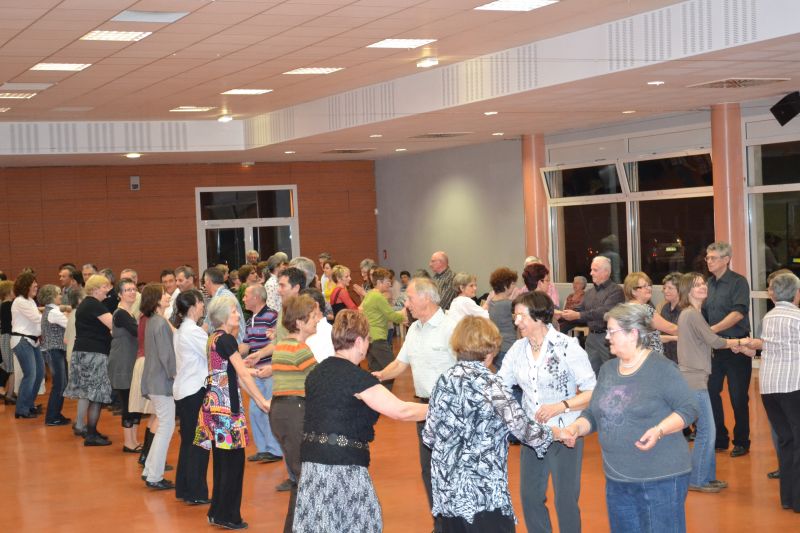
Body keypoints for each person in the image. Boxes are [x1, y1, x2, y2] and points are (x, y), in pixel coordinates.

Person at [562, 303, 698, 533]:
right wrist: (576, 427)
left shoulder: (662, 369)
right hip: (618, 479)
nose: (607, 337)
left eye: (612, 331)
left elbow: (689, 408)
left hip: (660, 478)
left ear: (633, 333)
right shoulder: (608, 369)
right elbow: (593, 413)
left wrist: (659, 430)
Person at [293, 310, 428, 533]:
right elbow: (401, 411)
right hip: (342, 467)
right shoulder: (356, 378)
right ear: (358, 342)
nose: (368, 345)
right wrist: (440, 408)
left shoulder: (317, 373)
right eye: (367, 339)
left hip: (312, 465)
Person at [424, 316, 559, 532]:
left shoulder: (444, 380)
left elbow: (429, 436)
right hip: (483, 491)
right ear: (489, 353)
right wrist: (556, 433)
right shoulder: (491, 384)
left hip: (448, 489)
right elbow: (522, 429)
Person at [498, 290, 596, 533]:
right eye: (515, 316)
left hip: (566, 433)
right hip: (532, 434)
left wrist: (561, 406)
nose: (516, 321)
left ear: (540, 316)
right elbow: (499, 387)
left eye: (521, 316)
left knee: (565, 500)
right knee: (530, 498)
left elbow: (592, 391)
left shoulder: (567, 347)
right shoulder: (517, 349)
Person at [374, 277, 457, 533]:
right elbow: (400, 364)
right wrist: (376, 377)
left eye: (409, 298)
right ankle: (440, 525)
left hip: (451, 409)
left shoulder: (452, 326)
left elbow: (470, 365)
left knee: (452, 469)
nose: (406, 304)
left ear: (426, 298)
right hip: (423, 409)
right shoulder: (413, 330)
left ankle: (457, 524)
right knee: (428, 470)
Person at [195, 295, 271, 530]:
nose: (238, 314)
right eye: (234, 311)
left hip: (215, 407)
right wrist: (262, 401)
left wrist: (253, 375)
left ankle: (217, 512)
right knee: (233, 464)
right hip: (227, 411)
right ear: (224, 316)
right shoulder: (227, 339)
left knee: (222, 463)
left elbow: (232, 372)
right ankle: (228, 516)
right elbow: (242, 374)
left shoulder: (214, 338)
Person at [739, 272, 800, 512]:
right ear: (796, 293)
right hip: (794, 385)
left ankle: (787, 498)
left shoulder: (769, 317)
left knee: (786, 440)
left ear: (773, 295)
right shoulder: (797, 318)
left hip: (770, 388)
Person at [676, 273, 741, 493]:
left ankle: (707, 477)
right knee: (707, 431)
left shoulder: (692, 314)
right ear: (687, 291)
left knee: (707, 430)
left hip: (695, 378)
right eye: (697, 285)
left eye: (703, 283)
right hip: (694, 380)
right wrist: (741, 341)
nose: (703, 287)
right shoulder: (691, 314)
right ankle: (698, 479)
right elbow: (714, 341)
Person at [267, 294, 320, 533]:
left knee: (301, 476)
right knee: (304, 477)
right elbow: (320, 381)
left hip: (282, 412)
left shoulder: (283, 345)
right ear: (299, 322)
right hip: (294, 412)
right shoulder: (300, 349)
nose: (316, 320)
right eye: (312, 316)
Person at [703, 242, 752, 457]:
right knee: (711, 392)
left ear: (726, 259)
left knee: (738, 396)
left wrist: (712, 330)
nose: (709, 261)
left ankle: (741, 441)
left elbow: (738, 313)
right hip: (715, 348)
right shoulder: (708, 284)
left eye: (713, 257)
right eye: (707, 257)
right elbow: (703, 313)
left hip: (736, 348)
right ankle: (720, 438)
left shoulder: (738, 282)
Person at [63, 274, 114, 445]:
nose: (107, 290)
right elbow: (114, 325)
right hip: (94, 354)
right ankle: (91, 434)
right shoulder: (94, 305)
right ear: (95, 289)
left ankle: (92, 430)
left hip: (83, 353)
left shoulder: (85, 304)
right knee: (96, 395)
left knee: (91, 394)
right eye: (105, 287)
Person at [172, 289, 211, 505]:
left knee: (189, 441)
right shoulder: (193, 331)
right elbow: (212, 355)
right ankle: (196, 491)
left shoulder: (182, 330)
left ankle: (185, 488)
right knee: (199, 442)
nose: (203, 305)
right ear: (194, 306)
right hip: (194, 390)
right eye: (201, 302)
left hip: (185, 390)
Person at [239, 284, 283, 464]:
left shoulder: (273, 316)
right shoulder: (250, 320)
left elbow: (278, 342)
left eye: (246, 296)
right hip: (255, 372)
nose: (243, 299)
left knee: (269, 410)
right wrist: (230, 352)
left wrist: (263, 358)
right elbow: (246, 345)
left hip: (271, 371)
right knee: (255, 411)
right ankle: (263, 449)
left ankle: (275, 450)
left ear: (256, 298)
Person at [140, 283, 178, 489]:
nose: (167, 296)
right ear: (155, 299)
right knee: (166, 427)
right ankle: (155, 475)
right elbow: (166, 355)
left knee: (163, 426)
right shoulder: (160, 323)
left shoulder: (152, 321)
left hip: (153, 381)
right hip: (162, 382)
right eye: (163, 294)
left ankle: (150, 470)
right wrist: (176, 376)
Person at [560, 256, 625, 375]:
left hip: (608, 338)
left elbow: (603, 312)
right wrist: (561, 314)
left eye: (595, 270)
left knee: (612, 373)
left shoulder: (616, 291)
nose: (591, 273)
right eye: (591, 269)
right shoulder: (590, 292)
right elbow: (580, 308)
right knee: (590, 373)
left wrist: (578, 315)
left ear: (606, 272)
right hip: (591, 338)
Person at [107, 278, 142, 452]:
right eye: (127, 290)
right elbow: (137, 332)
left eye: (133, 289)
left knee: (134, 403)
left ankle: (134, 440)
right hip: (122, 364)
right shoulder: (120, 313)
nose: (132, 292)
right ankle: (129, 443)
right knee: (128, 403)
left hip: (129, 362)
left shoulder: (129, 313)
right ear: (120, 294)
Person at [361, 268, 406, 389]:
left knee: (376, 371)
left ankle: (375, 396)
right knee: (391, 369)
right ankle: (385, 396)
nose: (390, 284)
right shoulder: (378, 297)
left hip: (369, 339)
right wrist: (404, 317)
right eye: (387, 282)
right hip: (378, 339)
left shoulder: (369, 294)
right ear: (379, 282)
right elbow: (391, 315)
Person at [10, 273, 43, 419]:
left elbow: (37, 319)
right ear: (25, 286)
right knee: (30, 374)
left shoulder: (30, 301)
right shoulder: (20, 301)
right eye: (33, 283)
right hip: (22, 340)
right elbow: (36, 318)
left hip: (33, 341)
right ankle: (22, 410)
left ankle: (29, 405)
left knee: (39, 373)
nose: (36, 285)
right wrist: (54, 314)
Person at [38, 285, 70, 426]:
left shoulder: (51, 310)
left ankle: (56, 414)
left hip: (54, 350)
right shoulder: (54, 312)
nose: (60, 296)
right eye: (58, 294)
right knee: (59, 384)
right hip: (54, 351)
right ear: (51, 296)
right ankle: (52, 417)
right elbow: (69, 325)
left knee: (61, 383)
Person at [623, 271, 678, 353]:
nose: (649, 288)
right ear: (633, 291)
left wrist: (673, 338)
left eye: (649, 285)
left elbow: (650, 337)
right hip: (649, 357)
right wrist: (693, 333)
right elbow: (672, 329)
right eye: (644, 286)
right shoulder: (645, 310)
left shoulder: (626, 308)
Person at [487, 267, 518, 370]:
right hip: (509, 346)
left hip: (497, 346)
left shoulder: (492, 302)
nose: (514, 286)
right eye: (512, 284)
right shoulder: (509, 304)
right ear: (505, 286)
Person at [658, 272, 682, 363]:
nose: (665, 291)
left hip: (682, 358)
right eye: (664, 288)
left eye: (670, 288)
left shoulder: (686, 310)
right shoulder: (665, 308)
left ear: (680, 290)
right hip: (666, 357)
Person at [0, 280, 16, 404]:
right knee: (12, 368)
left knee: (10, 367)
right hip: (9, 337)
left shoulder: (4, 305)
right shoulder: (9, 305)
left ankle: (11, 393)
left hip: (5, 337)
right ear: (9, 292)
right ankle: (10, 395)